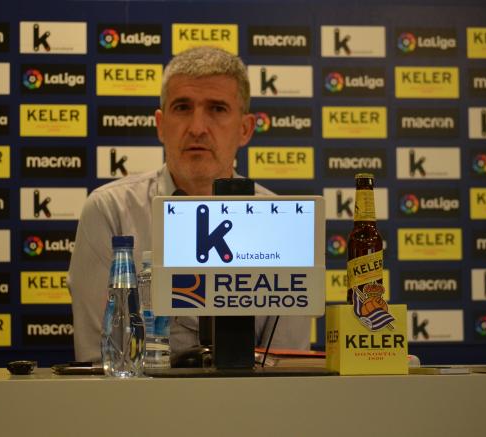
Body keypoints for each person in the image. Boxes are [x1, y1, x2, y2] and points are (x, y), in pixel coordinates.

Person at [68, 46, 311, 363]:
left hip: (251, 408)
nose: (197, 127)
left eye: (217, 109)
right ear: (160, 124)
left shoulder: (283, 222)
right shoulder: (109, 210)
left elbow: (284, 364)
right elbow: (97, 360)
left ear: (245, 129)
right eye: (182, 107)